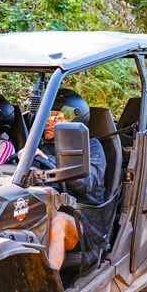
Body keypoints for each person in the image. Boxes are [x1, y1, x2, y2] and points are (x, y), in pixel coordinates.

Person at [41, 88, 107, 271]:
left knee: (59, 223)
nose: (48, 122)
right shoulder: (40, 146)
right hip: (46, 210)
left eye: (56, 117)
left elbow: (86, 183)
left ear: (73, 121)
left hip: (85, 219)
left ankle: (49, 281)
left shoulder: (92, 147)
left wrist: (47, 161)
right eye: (47, 116)